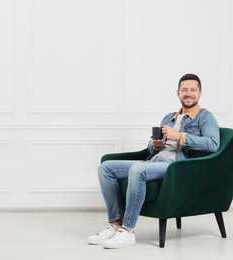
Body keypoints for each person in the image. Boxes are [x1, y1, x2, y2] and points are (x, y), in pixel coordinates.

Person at [88, 73, 220, 249]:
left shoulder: (205, 117)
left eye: (193, 90)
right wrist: (155, 145)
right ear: (178, 93)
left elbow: (213, 144)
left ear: (200, 93)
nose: (189, 93)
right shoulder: (169, 118)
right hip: (155, 161)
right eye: (184, 90)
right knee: (105, 168)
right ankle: (116, 224)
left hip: (176, 167)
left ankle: (128, 231)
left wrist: (180, 136)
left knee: (137, 169)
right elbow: (152, 150)